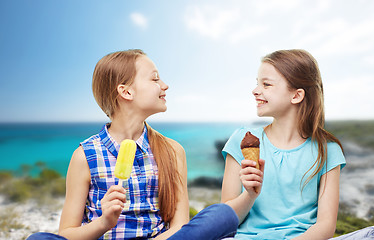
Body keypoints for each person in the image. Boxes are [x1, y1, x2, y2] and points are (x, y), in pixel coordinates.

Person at [27, 49, 238, 240]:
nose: (165, 85)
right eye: (155, 79)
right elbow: (67, 233)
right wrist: (103, 222)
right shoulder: (85, 156)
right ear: (126, 92)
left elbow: (179, 227)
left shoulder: (173, 151)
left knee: (223, 214)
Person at [221, 49, 346, 239]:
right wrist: (249, 195)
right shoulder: (241, 140)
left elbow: (326, 225)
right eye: (257, 83)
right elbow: (226, 222)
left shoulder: (327, 151)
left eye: (266, 84)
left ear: (296, 96)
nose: (255, 91)